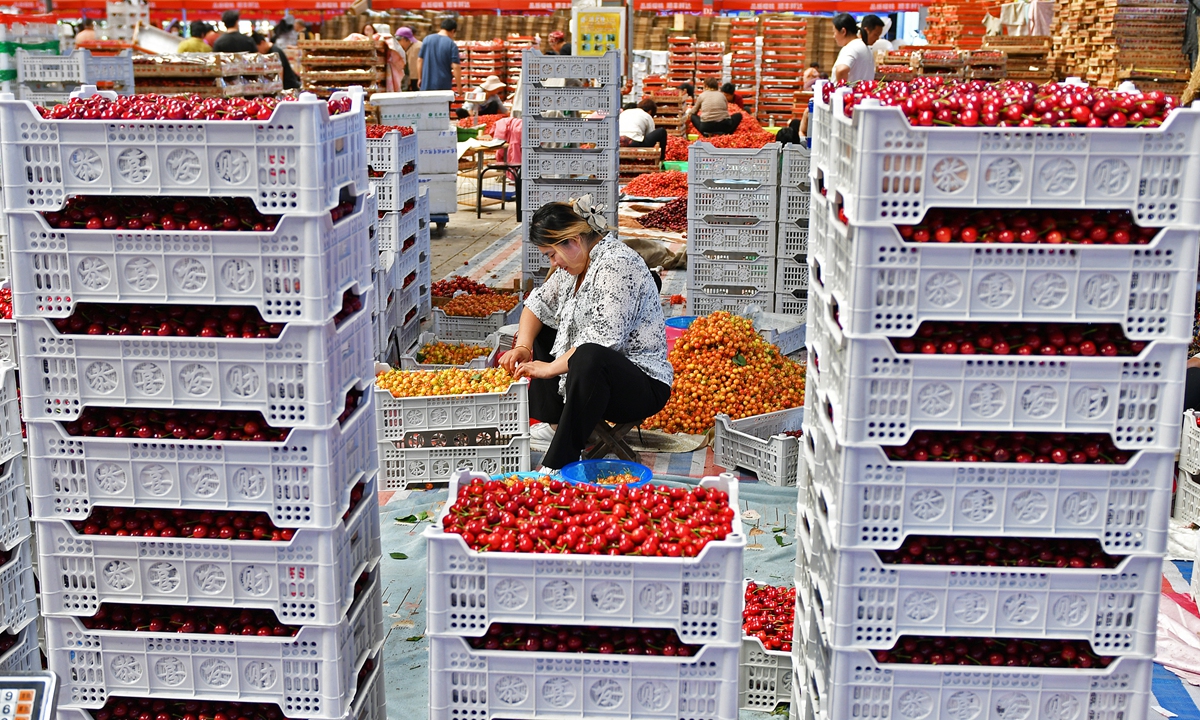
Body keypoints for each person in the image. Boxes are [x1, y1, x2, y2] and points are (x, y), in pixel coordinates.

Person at [498, 197, 672, 469]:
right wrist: (522, 346)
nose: (554, 263)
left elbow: (603, 340)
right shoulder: (576, 265)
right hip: (595, 381)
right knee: (548, 327)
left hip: (641, 386)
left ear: (575, 241)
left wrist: (550, 368)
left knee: (589, 355)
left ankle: (559, 460)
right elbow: (538, 303)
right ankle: (558, 422)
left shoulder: (616, 264)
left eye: (552, 254)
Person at [418, 18, 462, 93]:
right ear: (453, 31)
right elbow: (456, 66)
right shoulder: (451, 44)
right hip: (443, 85)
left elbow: (419, 60)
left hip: (426, 84)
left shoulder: (427, 39)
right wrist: (459, 87)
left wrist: (420, 78)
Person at [831, 13, 875, 85]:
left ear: (843, 31)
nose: (834, 36)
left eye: (834, 32)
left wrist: (841, 89)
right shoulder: (863, 46)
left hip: (849, 95)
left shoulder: (851, 48)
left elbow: (841, 70)